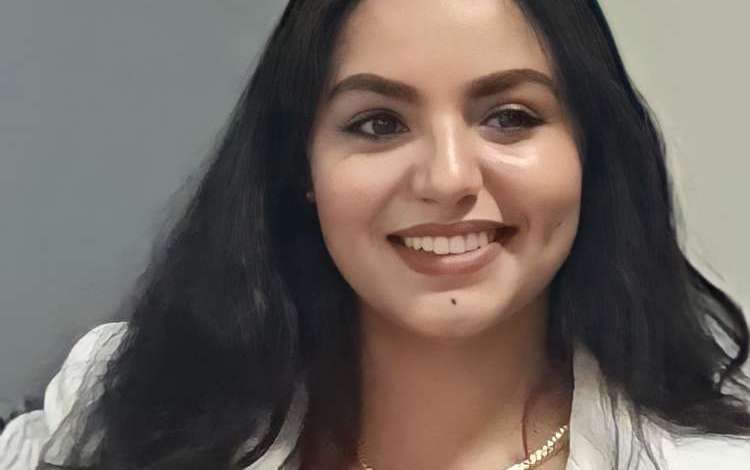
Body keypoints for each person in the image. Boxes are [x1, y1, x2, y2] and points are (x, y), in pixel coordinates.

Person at [2, 0, 749, 469]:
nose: (448, 178)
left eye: (510, 116)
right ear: (300, 166)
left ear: (591, 154)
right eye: (379, 124)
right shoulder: (123, 406)